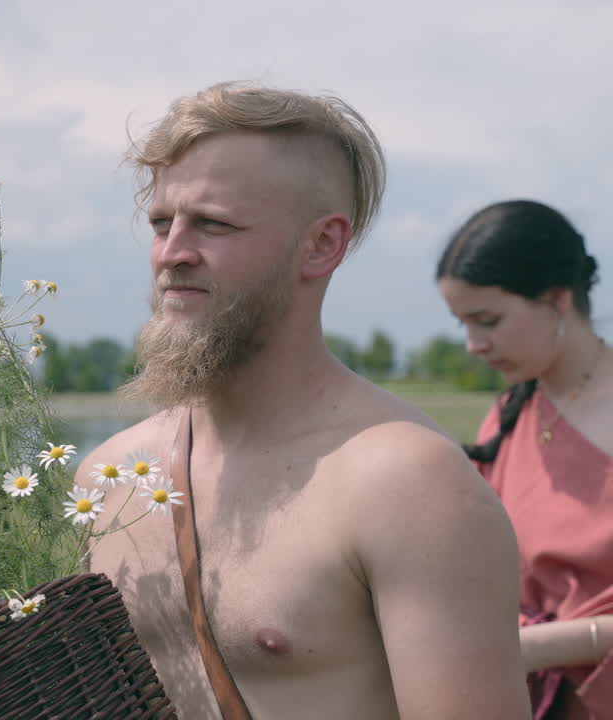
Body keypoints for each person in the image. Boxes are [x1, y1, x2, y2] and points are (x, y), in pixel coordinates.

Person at [83, 83, 530, 718]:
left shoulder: (405, 483)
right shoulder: (110, 476)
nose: (172, 253)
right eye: (161, 223)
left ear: (321, 245)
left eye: (213, 223)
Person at [437, 200, 612, 719]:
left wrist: (527, 648)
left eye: (488, 321)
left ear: (557, 300)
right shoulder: (508, 418)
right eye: (462, 324)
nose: (472, 345)